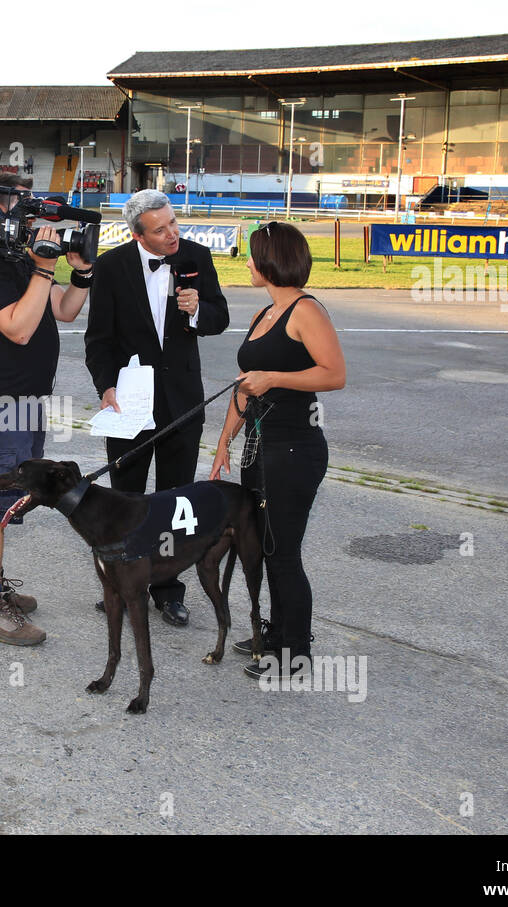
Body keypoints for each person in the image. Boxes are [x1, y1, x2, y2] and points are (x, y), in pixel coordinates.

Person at [0, 174, 92, 645]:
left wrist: (81, 272)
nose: (32, 215)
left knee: (1, 500)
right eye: (21, 204)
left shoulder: (17, 261)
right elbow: (18, 328)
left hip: (25, 400)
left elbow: (64, 311)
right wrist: (41, 269)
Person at [84, 188, 229, 626]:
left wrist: (199, 308)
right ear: (137, 235)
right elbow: (99, 339)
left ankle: (169, 590)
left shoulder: (197, 258)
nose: (172, 235)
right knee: (124, 499)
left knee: (174, 500)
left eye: (174, 224)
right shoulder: (110, 268)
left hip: (181, 403)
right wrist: (106, 387)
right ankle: (120, 584)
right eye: (161, 229)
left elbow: (220, 319)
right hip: (129, 404)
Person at [209, 222, 345, 679]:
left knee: (283, 551)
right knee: (265, 547)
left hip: (294, 449)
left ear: (270, 259)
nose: (246, 262)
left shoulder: (306, 311)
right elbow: (244, 388)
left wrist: (275, 378)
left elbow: (334, 374)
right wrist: (223, 443)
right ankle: (277, 632)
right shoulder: (264, 314)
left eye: (251, 255)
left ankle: (295, 652)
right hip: (259, 448)